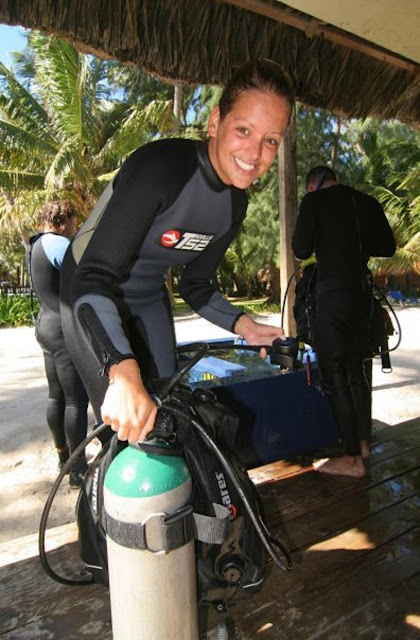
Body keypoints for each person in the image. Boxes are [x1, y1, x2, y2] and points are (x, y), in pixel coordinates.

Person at [60, 58, 295, 445]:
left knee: (171, 419)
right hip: (87, 295)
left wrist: (245, 325)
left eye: (270, 140)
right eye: (243, 130)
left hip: (148, 297)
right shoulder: (162, 167)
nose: (255, 153)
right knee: (126, 436)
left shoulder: (235, 205)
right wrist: (122, 370)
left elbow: (196, 285)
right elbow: (94, 276)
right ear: (215, 122)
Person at [292, 166, 396, 478]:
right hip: (362, 297)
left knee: (335, 374)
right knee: (356, 370)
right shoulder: (367, 202)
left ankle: (352, 459)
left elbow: (300, 250)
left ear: (313, 186)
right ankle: (362, 443)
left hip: (333, 296)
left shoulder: (314, 202)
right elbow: (387, 248)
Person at [29, 201, 89, 487]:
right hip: (62, 329)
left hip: (45, 325)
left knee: (57, 396)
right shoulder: (58, 244)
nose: (75, 228)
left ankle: (63, 457)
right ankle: (78, 470)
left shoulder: (36, 244)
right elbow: (83, 275)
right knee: (76, 398)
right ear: (63, 220)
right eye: (74, 222)